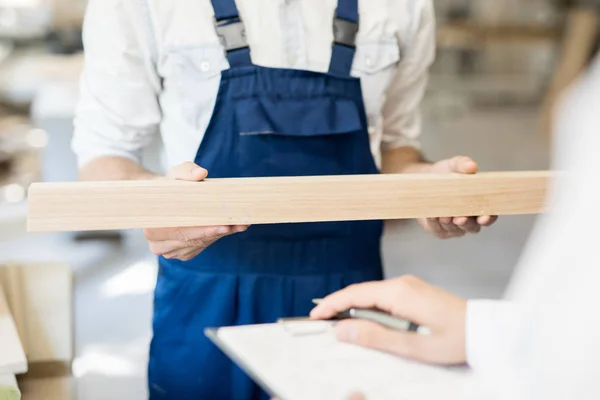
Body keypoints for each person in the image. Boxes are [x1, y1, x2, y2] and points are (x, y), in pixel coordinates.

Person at [72, 0, 497, 398]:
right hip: (204, 295)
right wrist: (159, 204)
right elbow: (102, 162)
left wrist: (431, 185)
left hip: (350, 299)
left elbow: (397, 150)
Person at [311, 52, 600, 400]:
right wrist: (479, 329)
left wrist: (424, 185)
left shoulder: (397, 9)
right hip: (230, 272)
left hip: (352, 272)